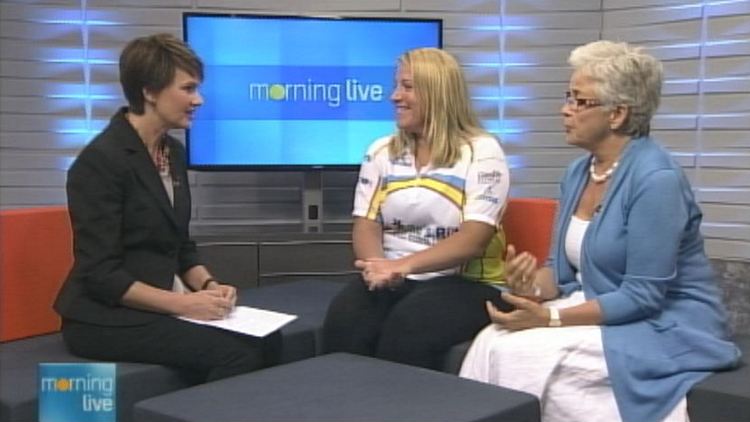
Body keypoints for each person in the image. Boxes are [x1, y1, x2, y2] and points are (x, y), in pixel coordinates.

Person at [459, 40, 741, 422]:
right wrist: (530, 286)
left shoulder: (656, 179)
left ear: (618, 114)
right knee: (491, 340)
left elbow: (643, 295)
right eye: (567, 97)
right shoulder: (578, 173)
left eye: (579, 101)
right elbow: (558, 272)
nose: (565, 110)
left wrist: (551, 319)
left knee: (520, 352)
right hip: (599, 305)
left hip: (667, 323)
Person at [54, 33, 279, 382]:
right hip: (106, 316)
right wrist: (183, 304)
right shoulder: (100, 163)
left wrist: (208, 285)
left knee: (270, 339)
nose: (199, 100)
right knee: (236, 354)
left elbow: (180, 245)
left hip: (162, 302)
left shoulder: (173, 153)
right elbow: (101, 275)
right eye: (188, 89)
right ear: (149, 91)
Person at [322, 48, 513, 370]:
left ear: (437, 92)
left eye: (407, 87)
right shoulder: (381, 151)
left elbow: (473, 239)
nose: (395, 96)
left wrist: (404, 267)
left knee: (409, 326)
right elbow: (367, 223)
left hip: (469, 284)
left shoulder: (482, 151)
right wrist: (377, 267)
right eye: (396, 85)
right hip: (393, 276)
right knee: (345, 319)